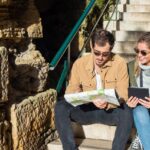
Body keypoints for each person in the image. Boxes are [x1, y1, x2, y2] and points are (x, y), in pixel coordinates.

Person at [55, 28, 133, 150]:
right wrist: (84, 96)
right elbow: (70, 91)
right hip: (85, 111)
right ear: (91, 46)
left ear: (111, 49)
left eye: (105, 54)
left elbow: (124, 93)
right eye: (97, 53)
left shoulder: (119, 63)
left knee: (127, 111)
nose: (100, 57)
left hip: (109, 111)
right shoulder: (79, 63)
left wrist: (109, 101)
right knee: (60, 106)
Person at [127, 32, 150, 150]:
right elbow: (123, 91)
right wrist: (128, 102)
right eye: (137, 51)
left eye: (144, 52)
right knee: (140, 111)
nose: (139, 55)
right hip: (139, 109)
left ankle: (140, 137)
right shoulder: (131, 67)